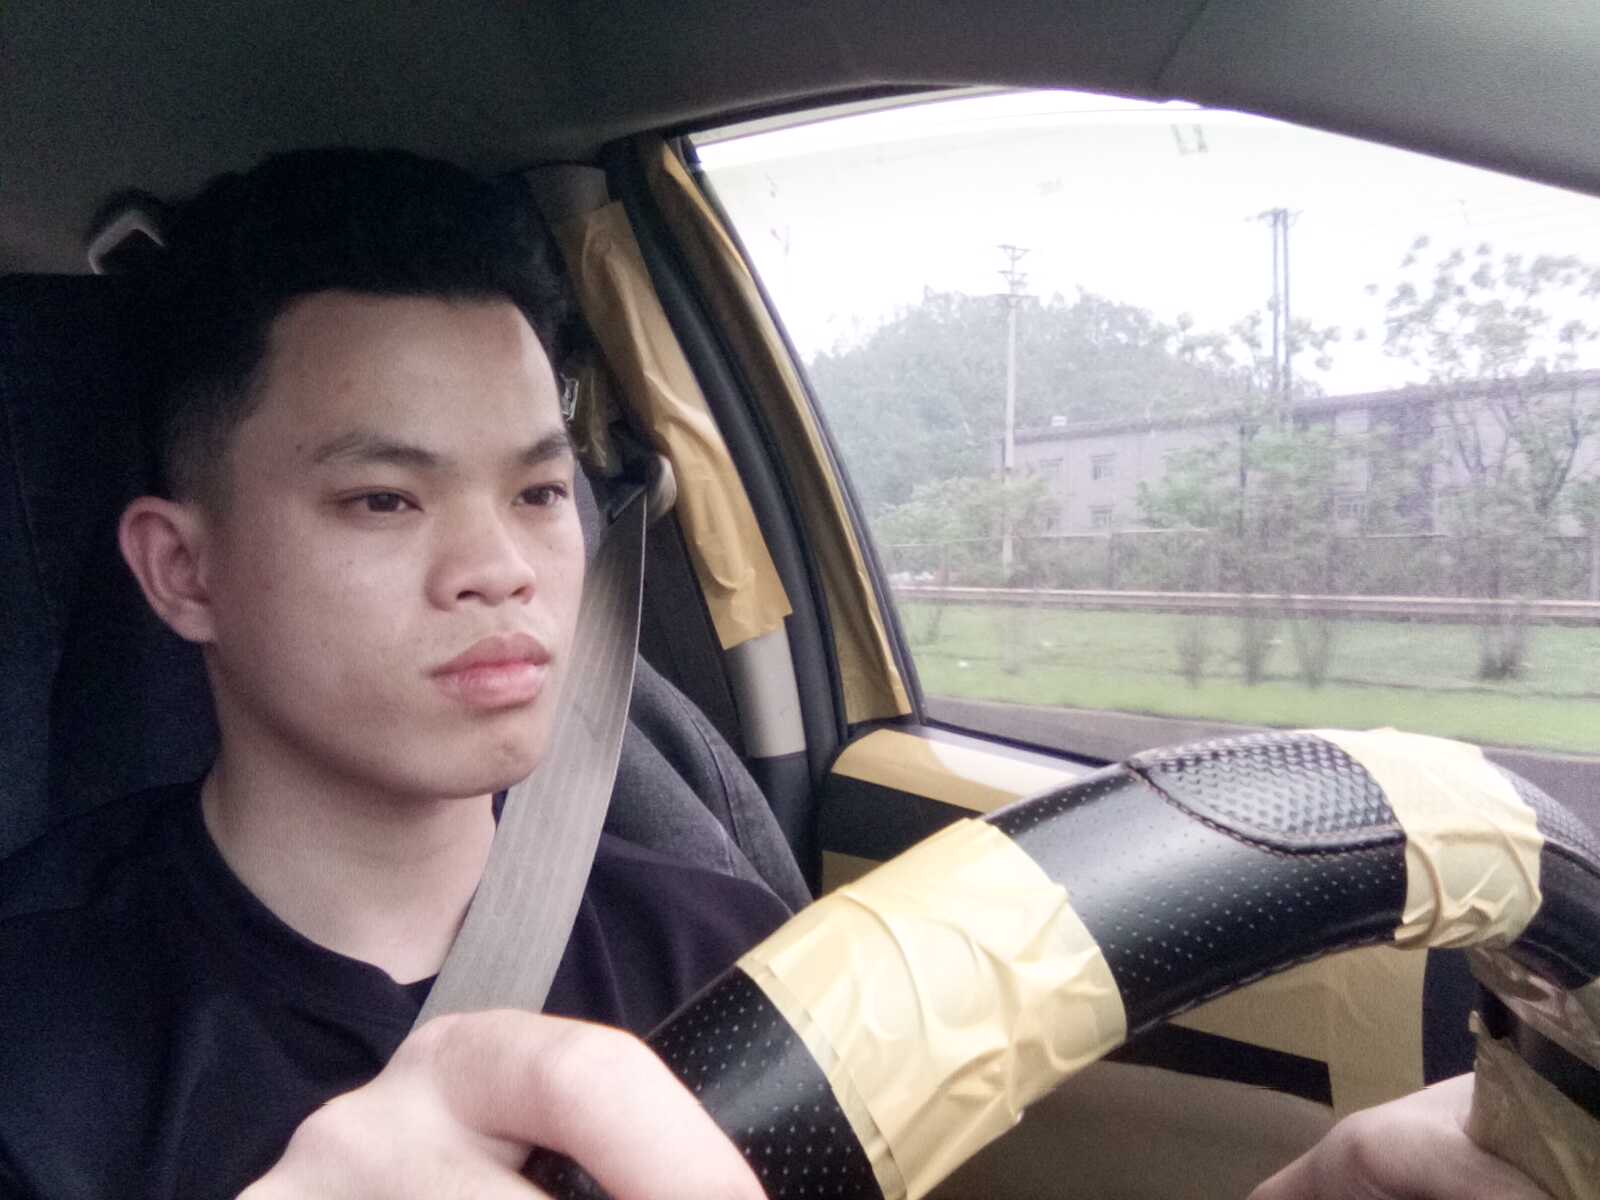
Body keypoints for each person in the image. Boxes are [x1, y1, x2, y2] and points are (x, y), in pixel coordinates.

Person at [0, 148, 1552, 1200]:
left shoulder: (730, 948)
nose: (502, 566)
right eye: (384, 500)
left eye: (539, 490)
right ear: (182, 570)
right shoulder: (41, 1029)